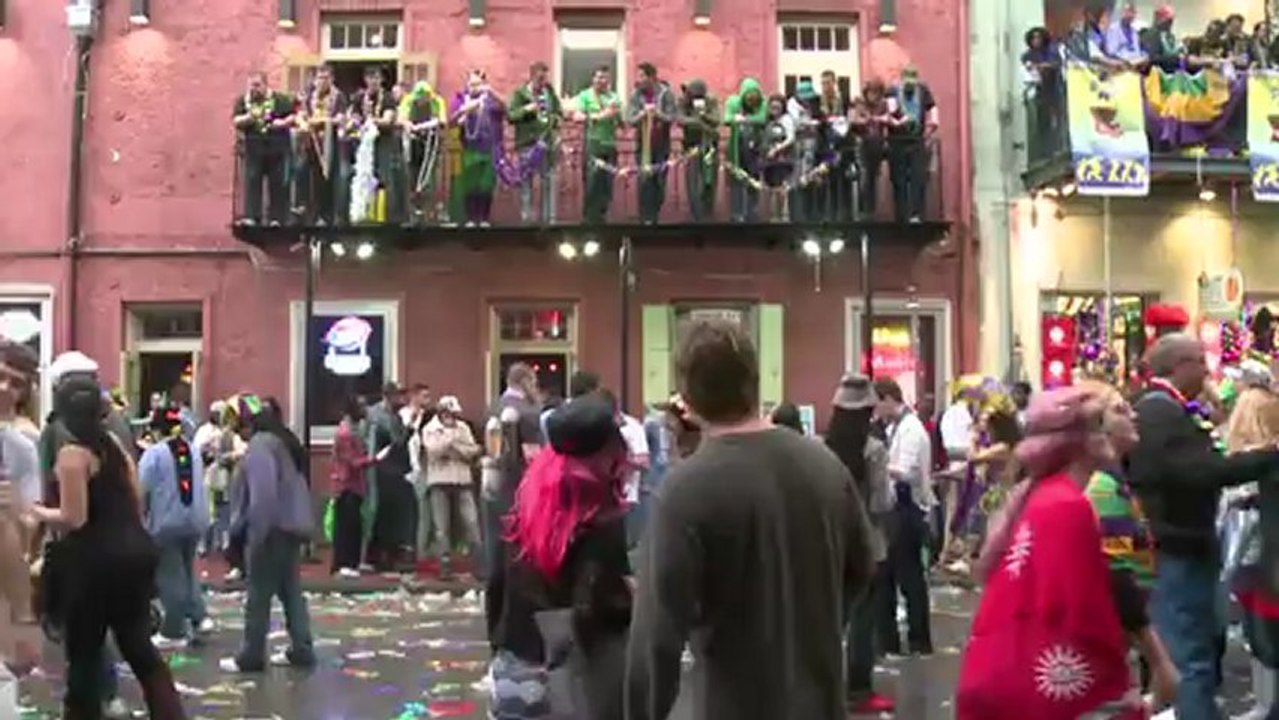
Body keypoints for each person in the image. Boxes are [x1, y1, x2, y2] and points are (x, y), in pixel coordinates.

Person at [625, 319, 875, 720]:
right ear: (755, 382)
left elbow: (656, 638)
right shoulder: (825, 466)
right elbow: (862, 566)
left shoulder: (684, 491)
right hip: (818, 702)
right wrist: (817, 626)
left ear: (687, 398)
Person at [957, 387, 1157, 719]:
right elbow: (1079, 604)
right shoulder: (1067, 504)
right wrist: (1141, 668)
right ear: (1075, 440)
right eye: (1098, 422)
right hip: (1041, 686)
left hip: (1009, 673)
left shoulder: (1049, 496)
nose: (1112, 427)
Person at [1128, 334, 1279, 720]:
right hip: (1176, 548)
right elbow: (1200, 471)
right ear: (1179, 366)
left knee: (1198, 647)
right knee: (1189, 655)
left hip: (1182, 545)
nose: (1208, 371)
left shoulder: (1168, 409)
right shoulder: (1159, 412)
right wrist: (1266, 459)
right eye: (1200, 361)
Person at [28, 376, 185, 719]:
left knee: (84, 651)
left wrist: (37, 512)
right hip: (134, 554)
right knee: (139, 647)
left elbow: (74, 518)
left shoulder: (72, 455)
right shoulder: (114, 446)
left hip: (93, 563)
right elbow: (135, 498)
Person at [486, 394, 632, 719]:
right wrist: (631, 598)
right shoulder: (600, 516)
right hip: (573, 680)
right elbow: (595, 609)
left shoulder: (524, 504)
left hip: (515, 668)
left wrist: (500, 650)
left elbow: (495, 583)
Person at [1079, 380, 1178, 705]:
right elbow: (1116, 568)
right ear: (1098, 427)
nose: (1134, 415)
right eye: (1121, 410)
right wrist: (1150, 646)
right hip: (1116, 635)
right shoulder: (1102, 487)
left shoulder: (1113, 480)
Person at [220, 394, 315, 673]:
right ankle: (302, 648)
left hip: (271, 530)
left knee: (258, 595)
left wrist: (255, 535)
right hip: (291, 527)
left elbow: (263, 495)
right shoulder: (282, 443)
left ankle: (251, 655)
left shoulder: (260, 446)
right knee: (290, 591)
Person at [826, 374, 895, 714]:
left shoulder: (821, 450)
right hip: (868, 543)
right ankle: (858, 689)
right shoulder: (874, 450)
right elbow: (882, 502)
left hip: (830, 543)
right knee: (862, 621)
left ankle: (823, 686)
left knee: (830, 618)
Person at [1223, 377, 1279, 718]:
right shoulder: (1266, 463)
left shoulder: (1242, 461)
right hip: (1264, 562)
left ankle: (1264, 702)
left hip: (1252, 562)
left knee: (1262, 641)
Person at [140, 404, 211, 650]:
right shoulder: (192, 449)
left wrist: (141, 519)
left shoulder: (154, 454)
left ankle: (173, 630)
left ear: (157, 430)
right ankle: (199, 617)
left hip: (167, 523)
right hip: (196, 519)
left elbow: (142, 489)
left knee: (170, 577)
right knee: (188, 571)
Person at [873, 377, 934, 655]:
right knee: (890, 575)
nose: (876, 411)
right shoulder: (896, 427)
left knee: (909, 578)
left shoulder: (911, 429)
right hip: (896, 510)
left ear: (888, 399)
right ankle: (892, 641)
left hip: (907, 511)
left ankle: (918, 638)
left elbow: (906, 472)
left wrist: (879, 464)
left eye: (877, 404)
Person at [0, 343, 43, 687]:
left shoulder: (21, 448)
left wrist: (23, 618)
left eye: (16, 383)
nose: (4, 389)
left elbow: (25, 534)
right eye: (0, 376)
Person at [481, 364, 544, 582]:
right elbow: (532, 456)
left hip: (490, 478)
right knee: (518, 534)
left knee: (493, 533)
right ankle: (516, 580)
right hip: (518, 481)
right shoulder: (528, 411)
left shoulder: (492, 408)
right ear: (526, 381)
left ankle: (493, 578)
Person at [423, 396, 482, 579]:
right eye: (449, 414)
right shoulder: (430, 428)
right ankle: (445, 567)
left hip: (462, 480)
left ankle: (480, 565)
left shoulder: (463, 428)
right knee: (442, 527)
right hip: (439, 481)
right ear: (442, 413)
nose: (453, 418)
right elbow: (433, 451)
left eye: (455, 414)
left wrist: (454, 449)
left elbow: (473, 450)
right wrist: (451, 441)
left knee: (471, 522)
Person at [330, 396, 384, 578]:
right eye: (361, 406)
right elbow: (352, 461)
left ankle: (352, 562)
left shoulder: (354, 429)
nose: (366, 409)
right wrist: (374, 460)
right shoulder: (346, 433)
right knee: (347, 526)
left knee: (354, 525)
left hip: (353, 484)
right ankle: (343, 563)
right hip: (346, 485)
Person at [233, 72, 295, 226]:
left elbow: (292, 116)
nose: (253, 89)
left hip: (277, 149)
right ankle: (252, 216)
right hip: (254, 149)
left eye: (257, 85)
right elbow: (236, 120)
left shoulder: (279, 99)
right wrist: (249, 118)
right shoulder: (243, 101)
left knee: (277, 184)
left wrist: (282, 123)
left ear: (265, 85)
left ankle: (276, 218)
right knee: (252, 181)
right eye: (251, 86)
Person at [347, 65, 403, 224]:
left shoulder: (388, 98)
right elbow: (355, 118)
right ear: (366, 80)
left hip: (384, 143)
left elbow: (387, 120)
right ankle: (364, 214)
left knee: (384, 178)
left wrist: (371, 120)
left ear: (381, 80)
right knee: (363, 178)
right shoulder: (359, 98)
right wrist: (353, 123)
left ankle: (385, 218)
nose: (374, 81)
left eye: (377, 78)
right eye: (371, 78)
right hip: (364, 145)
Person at [508, 61, 563, 224]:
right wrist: (526, 109)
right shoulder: (520, 93)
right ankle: (527, 221)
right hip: (527, 144)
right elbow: (511, 116)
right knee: (527, 183)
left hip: (547, 143)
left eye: (544, 78)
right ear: (532, 76)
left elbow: (559, 113)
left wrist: (556, 121)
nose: (542, 82)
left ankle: (549, 220)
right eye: (539, 78)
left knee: (549, 180)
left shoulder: (549, 92)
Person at [450, 70, 505, 227]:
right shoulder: (461, 99)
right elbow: (451, 121)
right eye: (471, 84)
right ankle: (471, 218)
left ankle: (484, 218)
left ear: (484, 84)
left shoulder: (490, 100)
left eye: (477, 84)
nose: (474, 87)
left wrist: (491, 92)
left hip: (489, 148)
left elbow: (506, 108)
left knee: (486, 185)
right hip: (469, 149)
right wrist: (463, 111)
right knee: (470, 184)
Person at [366, 382, 413, 571]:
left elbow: (400, 441)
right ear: (388, 396)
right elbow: (373, 440)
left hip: (395, 467)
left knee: (394, 513)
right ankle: (376, 555)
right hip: (378, 467)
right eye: (398, 396)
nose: (401, 399)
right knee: (380, 512)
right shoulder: (374, 414)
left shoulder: (397, 416)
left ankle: (390, 554)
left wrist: (408, 427)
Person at [885, 66, 938, 223]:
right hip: (897, 140)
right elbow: (891, 112)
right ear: (902, 79)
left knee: (918, 177)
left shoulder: (923, 90)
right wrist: (900, 122)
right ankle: (901, 216)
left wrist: (931, 127)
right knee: (898, 179)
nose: (910, 85)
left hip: (916, 140)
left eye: (912, 82)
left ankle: (916, 214)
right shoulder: (892, 91)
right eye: (907, 81)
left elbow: (932, 108)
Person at [296, 65, 347, 225]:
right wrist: (303, 123)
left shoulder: (338, 96)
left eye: (325, 78)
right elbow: (300, 115)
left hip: (329, 144)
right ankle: (303, 206)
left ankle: (326, 216)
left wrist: (322, 121)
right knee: (301, 169)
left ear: (332, 79)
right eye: (319, 78)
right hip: (310, 142)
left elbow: (340, 118)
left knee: (325, 180)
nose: (322, 81)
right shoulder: (309, 96)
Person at [627, 62, 677, 224]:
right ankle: (645, 218)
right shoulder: (635, 95)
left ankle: (655, 214)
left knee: (659, 181)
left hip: (661, 144)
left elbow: (672, 117)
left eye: (642, 76)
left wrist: (658, 114)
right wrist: (642, 114)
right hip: (643, 144)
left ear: (652, 77)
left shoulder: (666, 94)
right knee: (644, 181)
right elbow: (629, 119)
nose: (638, 79)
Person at [572, 66, 623, 224]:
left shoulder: (613, 97)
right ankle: (589, 218)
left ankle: (603, 216)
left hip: (610, 145)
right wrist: (598, 116)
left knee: (607, 183)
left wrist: (616, 115)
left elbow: (620, 120)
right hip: (593, 145)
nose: (602, 81)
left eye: (605, 78)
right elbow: (577, 116)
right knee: (592, 182)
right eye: (599, 77)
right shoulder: (585, 95)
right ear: (593, 79)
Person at [399, 80, 447, 224]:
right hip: (412, 144)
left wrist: (424, 126)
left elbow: (442, 121)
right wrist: (408, 125)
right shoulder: (408, 100)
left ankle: (428, 213)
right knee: (412, 176)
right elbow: (401, 119)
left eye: (424, 98)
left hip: (431, 144)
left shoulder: (437, 101)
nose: (421, 101)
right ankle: (413, 212)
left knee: (428, 178)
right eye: (419, 99)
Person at [724, 77, 767, 222]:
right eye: (748, 98)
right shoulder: (733, 102)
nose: (751, 102)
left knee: (753, 179)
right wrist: (735, 118)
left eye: (754, 99)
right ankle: (736, 212)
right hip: (737, 147)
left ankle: (751, 211)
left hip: (755, 149)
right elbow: (727, 118)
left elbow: (762, 118)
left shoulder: (762, 103)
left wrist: (744, 119)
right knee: (736, 180)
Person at [677, 79, 720, 221]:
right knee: (692, 181)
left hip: (710, 144)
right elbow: (680, 119)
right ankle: (696, 214)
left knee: (710, 180)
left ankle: (708, 211)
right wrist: (697, 121)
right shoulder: (683, 101)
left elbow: (717, 119)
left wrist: (704, 115)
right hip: (691, 145)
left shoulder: (711, 100)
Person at [850, 79, 891, 216]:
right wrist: (865, 120)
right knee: (864, 176)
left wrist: (881, 120)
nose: (875, 97)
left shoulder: (883, 104)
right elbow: (853, 119)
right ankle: (862, 210)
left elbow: (888, 119)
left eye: (878, 93)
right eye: (873, 93)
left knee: (873, 178)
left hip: (877, 144)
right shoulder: (859, 102)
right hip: (862, 144)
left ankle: (871, 211)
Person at [818, 69, 854, 221]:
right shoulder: (819, 102)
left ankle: (846, 215)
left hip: (844, 145)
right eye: (823, 83)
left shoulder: (844, 99)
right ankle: (831, 215)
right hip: (827, 147)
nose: (825, 87)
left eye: (828, 83)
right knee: (829, 180)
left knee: (845, 180)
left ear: (834, 83)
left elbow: (850, 119)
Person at [761, 93, 796, 222]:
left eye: (777, 106)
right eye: (772, 106)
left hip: (782, 160)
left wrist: (776, 149)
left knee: (781, 188)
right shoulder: (769, 121)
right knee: (771, 189)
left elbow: (791, 138)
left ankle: (783, 216)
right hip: (769, 162)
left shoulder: (786, 120)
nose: (774, 109)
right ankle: (773, 217)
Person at [1105, 2, 1148, 67]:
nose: (1130, 15)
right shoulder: (1114, 29)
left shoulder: (1134, 32)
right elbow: (1111, 52)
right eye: (1128, 11)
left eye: (1133, 12)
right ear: (1122, 12)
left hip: (1136, 63)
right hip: (1121, 64)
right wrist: (1125, 61)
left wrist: (1143, 57)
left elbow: (1137, 51)